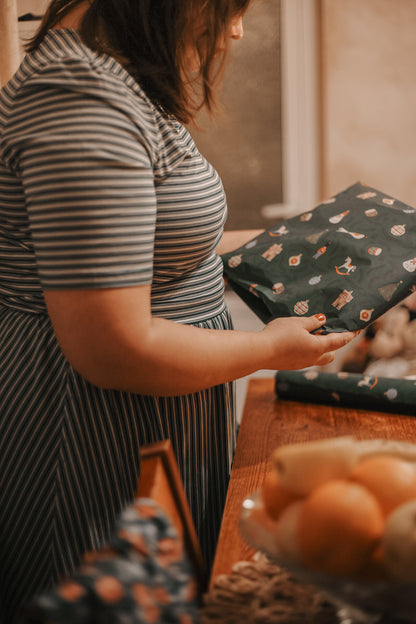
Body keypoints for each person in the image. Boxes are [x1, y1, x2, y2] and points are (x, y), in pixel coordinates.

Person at [0, 0, 357, 621]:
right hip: (92, 430)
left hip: (142, 418)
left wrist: (302, 257)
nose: (238, 28)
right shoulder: (79, 103)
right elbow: (116, 349)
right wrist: (272, 350)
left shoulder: (108, 80)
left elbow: (150, 252)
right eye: (232, 6)